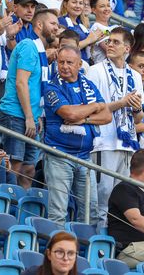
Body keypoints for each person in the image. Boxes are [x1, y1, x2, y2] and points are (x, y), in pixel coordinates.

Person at [42, 46, 111, 226]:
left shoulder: (87, 84)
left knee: (91, 213)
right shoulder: (52, 87)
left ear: (80, 64)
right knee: (58, 212)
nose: (64, 66)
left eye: (69, 62)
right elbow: (69, 114)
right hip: (59, 155)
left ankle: (84, 252)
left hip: (84, 157)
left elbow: (107, 116)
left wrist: (85, 118)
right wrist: (95, 107)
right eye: (61, 62)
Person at [86, 27, 144, 225]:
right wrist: (122, 103)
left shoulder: (135, 76)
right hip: (104, 142)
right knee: (102, 199)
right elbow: (90, 108)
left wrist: (136, 109)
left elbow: (138, 118)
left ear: (127, 48)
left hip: (127, 144)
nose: (110, 45)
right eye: (109, 41)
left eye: (115, 42)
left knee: (120, 199)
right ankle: (96, 244)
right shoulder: (95, 70)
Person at [0, 8, 59, 188]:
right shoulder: (29, 46)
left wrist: (35, 116)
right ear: (39, 24)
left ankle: (22, 210)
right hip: (16, 115)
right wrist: (29, 117)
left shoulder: (40, 51)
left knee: (29, 168)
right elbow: (21, 83)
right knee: (14, 166)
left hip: (31, 117)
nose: (56, 28)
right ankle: (6, 205)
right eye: (53, 23)